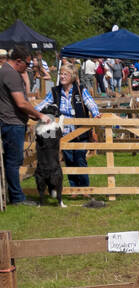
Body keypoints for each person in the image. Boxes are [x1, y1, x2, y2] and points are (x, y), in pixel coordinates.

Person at [36, 60, 102, 194]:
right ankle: (73, 189)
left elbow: (91, 104)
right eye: (61, 74)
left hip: (80, 132)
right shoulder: (55, 91)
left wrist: (96, 114)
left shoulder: (80, 89)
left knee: (80, 159)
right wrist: (33, 112)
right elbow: (42, 105)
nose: (62, 76)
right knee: (69, 160)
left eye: (65, 74)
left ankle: (84, 189)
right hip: (64, 134)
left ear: (72, 76)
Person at [1, 46, 52, 203]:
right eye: (27, 64)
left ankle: (10, 194)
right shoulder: (11, 75)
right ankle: (17, 197)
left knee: (9, 161)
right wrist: (40, 115)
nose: (28, 67)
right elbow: (21, 103)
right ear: (18, 61)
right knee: (13, 161)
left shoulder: (4, 71)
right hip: (12, 123)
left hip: (9, 120)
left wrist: (31, 114)